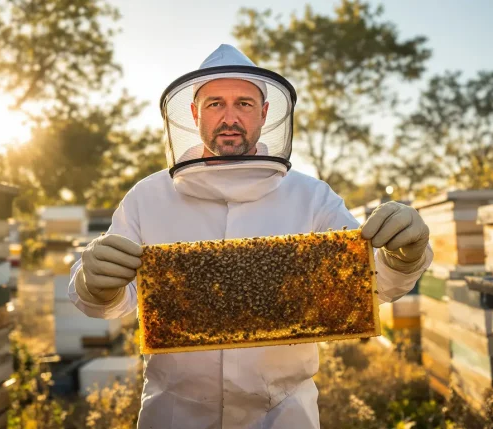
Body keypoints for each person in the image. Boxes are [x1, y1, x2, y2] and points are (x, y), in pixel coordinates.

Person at [69, 44, 433, 429]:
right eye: (214, 104)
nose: (229, 118)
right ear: (193, 114)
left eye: (243, 103)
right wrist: (94, 283)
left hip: (283, 414)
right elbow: (111, 300)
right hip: (176, 413)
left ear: (264, 113)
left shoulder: (311, 196)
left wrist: (404, 257)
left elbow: (369, 285)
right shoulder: (148, 196)